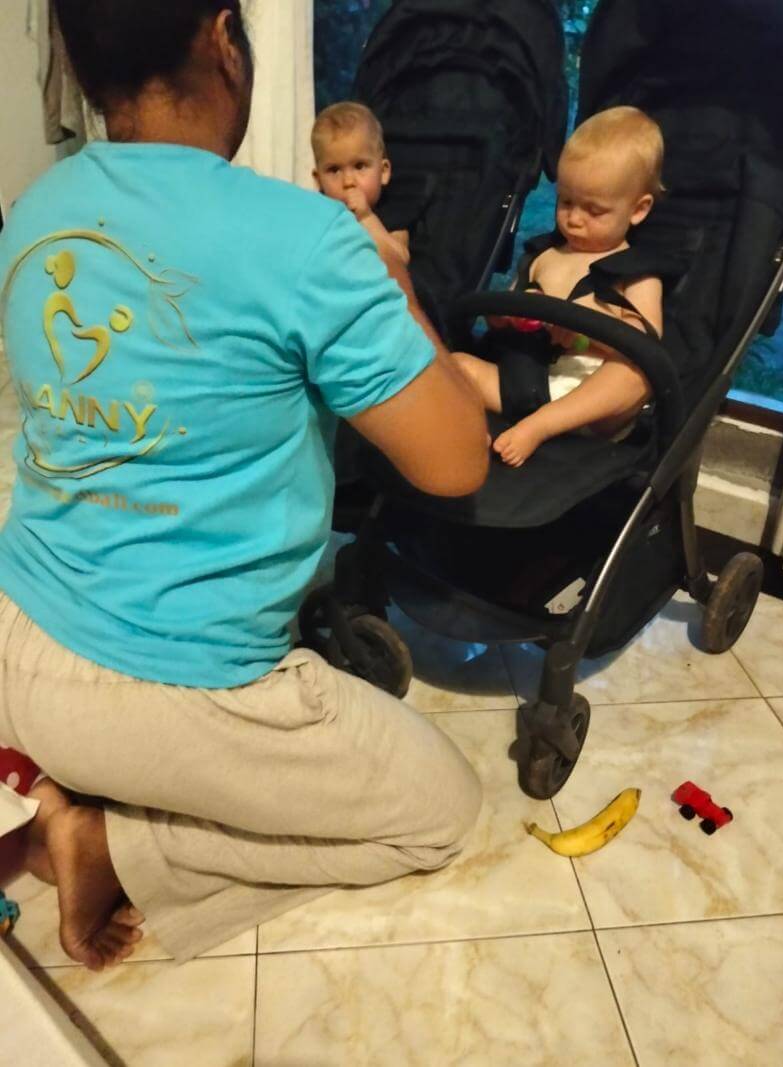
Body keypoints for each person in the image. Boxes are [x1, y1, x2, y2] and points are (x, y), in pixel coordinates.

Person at [0, 0, 488, 972]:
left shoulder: (36, 209)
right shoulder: (305, 238)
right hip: (156, 691)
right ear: (224, 39)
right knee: (443, 806)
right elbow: (456, 459)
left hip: (15, 633)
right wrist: (390, 284)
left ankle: (62, 777)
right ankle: (109, 839)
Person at [455, 106, 665, 467]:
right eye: (566, 202)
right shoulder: (543, 256)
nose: (574, 219)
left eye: (594, 211)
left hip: (587, 400)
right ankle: (464, 429)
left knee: (636, 375)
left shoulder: (637, 273)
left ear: (638, 210)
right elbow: (498, 319)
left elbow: (644, 343)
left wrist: (585, 330)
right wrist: (507, 315)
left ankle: (541, 426)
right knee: (454, 365)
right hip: (521, 380)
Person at [312, 101, 411, 265]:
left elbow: (398, 259)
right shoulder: (319, 219)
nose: (348, 182)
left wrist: (366, 218)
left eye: (359, 166)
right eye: (334, 170)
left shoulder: (392, 215)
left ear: (383, 172)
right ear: (318, 180)